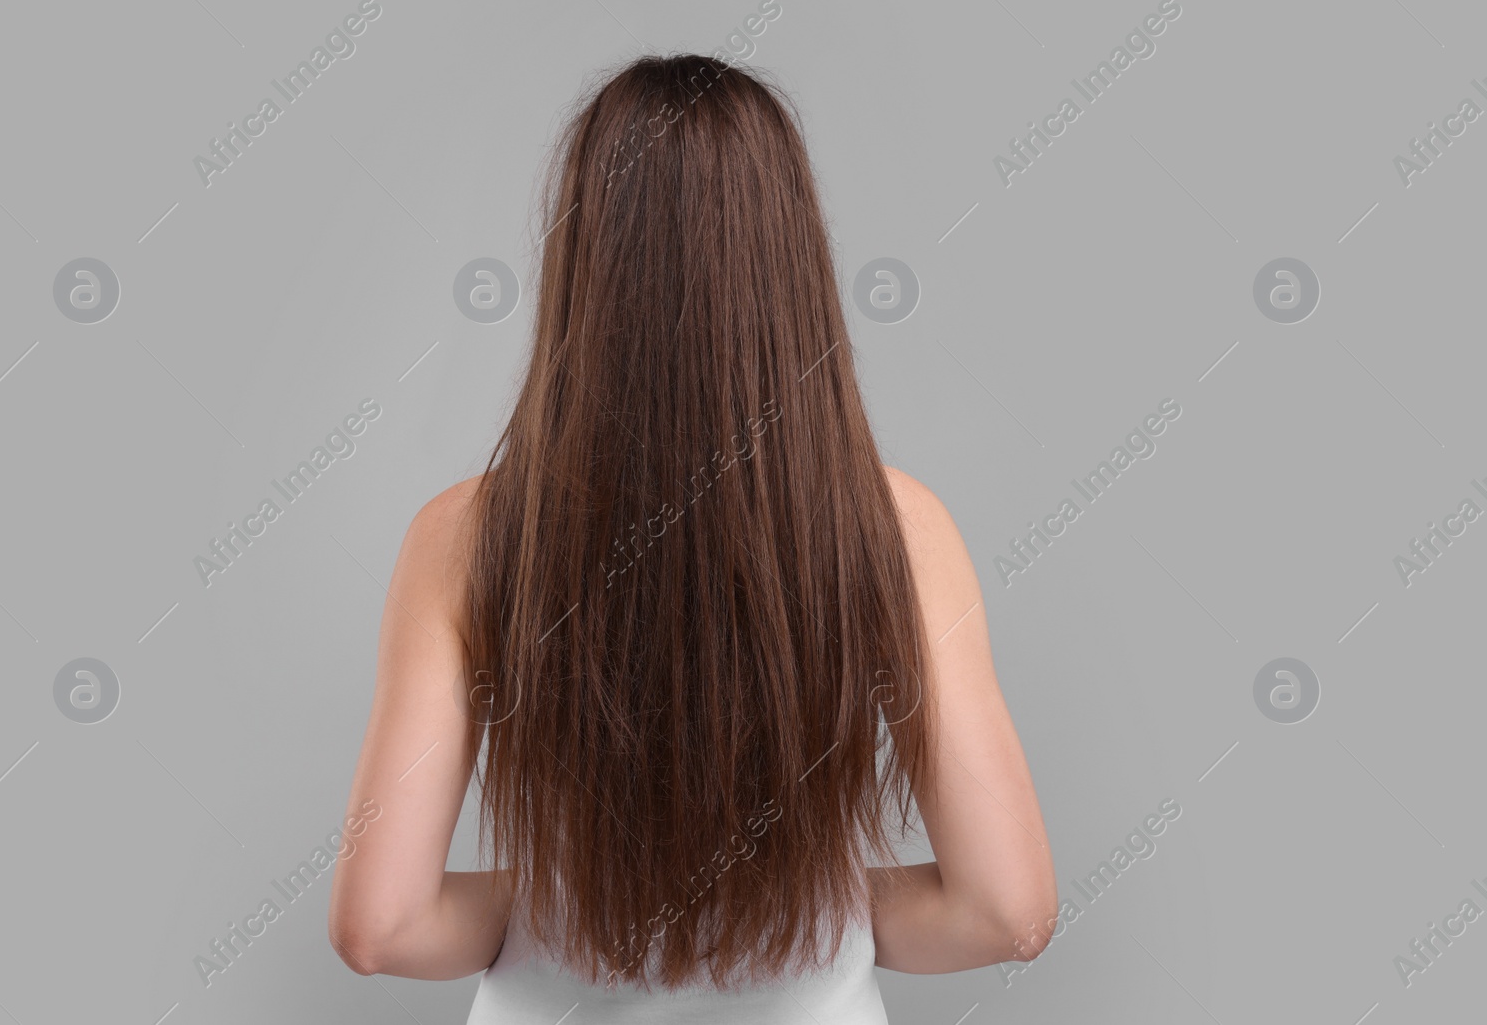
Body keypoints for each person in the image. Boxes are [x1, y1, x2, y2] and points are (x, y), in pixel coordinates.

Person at [328, 54, 1055, 1022]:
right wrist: (796, 904)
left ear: (583, 254)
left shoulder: (465, 537)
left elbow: (380, 926)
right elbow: (1004, 912)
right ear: (791, 257)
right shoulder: (898, 529)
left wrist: (558, 899)